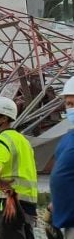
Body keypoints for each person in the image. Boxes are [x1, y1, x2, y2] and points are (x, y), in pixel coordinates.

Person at [0, 96, 38, 239]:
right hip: (29, 203)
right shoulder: (23, 140)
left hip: (8, 201)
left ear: (4, 118)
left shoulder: (1, 140)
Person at [49, 77, 74, 238]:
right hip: (68, 223)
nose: (71, 108)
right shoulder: (68, 137)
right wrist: (54, 204)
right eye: (69, 104)